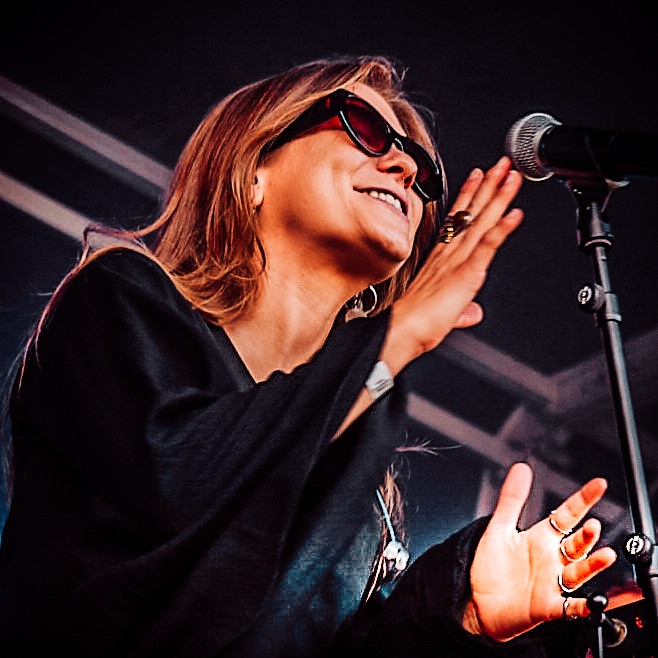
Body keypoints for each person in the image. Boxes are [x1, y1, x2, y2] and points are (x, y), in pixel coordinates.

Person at [0, 55, 617, 657]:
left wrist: (459, 615)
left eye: (422, 169)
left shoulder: (361, 474)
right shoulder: (121, 299)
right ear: (253, 172)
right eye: (364, 127)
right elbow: (179, 513)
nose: (405, 167)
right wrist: (392, 339)